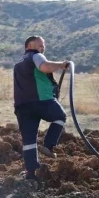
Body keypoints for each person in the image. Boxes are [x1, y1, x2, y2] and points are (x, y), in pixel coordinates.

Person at [13, 35, 70, 180]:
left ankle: (30, 173)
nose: (42, 48)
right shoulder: (35, 56)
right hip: (41, 101)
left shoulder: (18, 64)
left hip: (22, 107)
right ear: (29, 46)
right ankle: (49, 145)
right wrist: (61, 65)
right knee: (60, 117)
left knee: (29, 140)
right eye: (40, 45)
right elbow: (44, 67)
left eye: (43, 46)